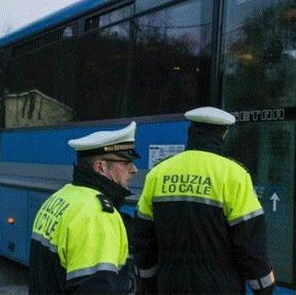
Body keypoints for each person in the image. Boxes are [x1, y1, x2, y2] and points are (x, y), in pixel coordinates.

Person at [134, 106, 275, 294]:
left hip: (170, 286)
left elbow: (144, 241)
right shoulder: (235, 175)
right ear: (223, 134)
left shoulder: (158, 173)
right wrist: (264, 288)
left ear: (190, 132)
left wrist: (149, 284)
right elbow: (250, 246)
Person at [29, 122, 139, 294]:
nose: (134, 170)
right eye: (126, 162)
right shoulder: (97, 215)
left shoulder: (61, 197)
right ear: (101, 167)